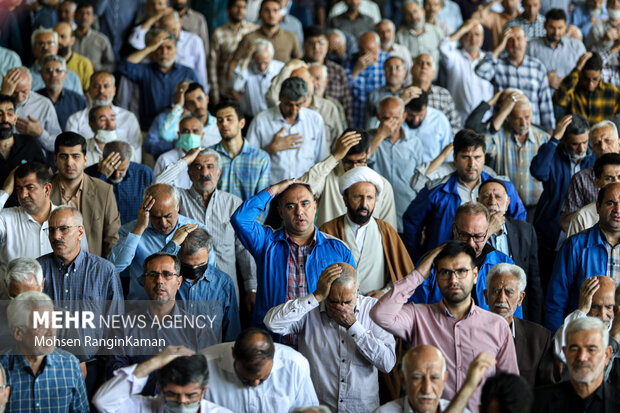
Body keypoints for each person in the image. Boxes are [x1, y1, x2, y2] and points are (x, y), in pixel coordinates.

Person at [370, 241, 519, 413]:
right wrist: (419, 274)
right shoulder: (418, 317)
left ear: (476, 275)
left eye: (462, 271)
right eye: (445, 272)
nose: (453, 279)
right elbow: (380, 314)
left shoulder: (497, 326)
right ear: (436, 277)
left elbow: (509, 388)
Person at [264, 262, 396, 412]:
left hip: (362, 409)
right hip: (318, 407)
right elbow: (272, 323)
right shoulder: (309, 309)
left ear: (357, 290)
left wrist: (353, 326)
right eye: (333, 301)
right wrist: (316, 297)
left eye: (347, 302)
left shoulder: (374, 309)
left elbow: (387, 363)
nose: (340, 308)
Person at [231, 178, 355, 329]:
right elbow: (240, 219)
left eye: (305, 204)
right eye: (290, 206)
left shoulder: (337, 249)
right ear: (280, 212)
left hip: (318, 339)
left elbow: (352, 297)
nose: (299, 212)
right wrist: (274, 189)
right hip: (273, 339)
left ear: (315, 206)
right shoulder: (266, 243)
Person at [154, 147, 257, 307]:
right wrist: (186, 160)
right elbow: (158, 187)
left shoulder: (233, 203)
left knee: (228, 331)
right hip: (185, 289)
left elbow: (244, 250)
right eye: (198, 167)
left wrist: (251, 288)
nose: (204, 173)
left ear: (219, 172)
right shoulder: (179, 199)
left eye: (210, 166)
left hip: (226, 287)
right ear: (189, 173)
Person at [403, 129, 526, 261]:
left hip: (492, 264)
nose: (472, 164)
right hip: (445, 263)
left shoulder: (502, 188)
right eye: (465, 157)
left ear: (484, 157)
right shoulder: (436, 190)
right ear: (455, 158)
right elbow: (412, 222)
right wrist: (415, 260)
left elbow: (520, 223)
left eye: (477, 157)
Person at [106, 252, 218, 396]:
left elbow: (209, 380)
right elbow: (115, 380)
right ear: (143, 281)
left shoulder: (198, 330)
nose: (159, 280)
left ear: (178, 282)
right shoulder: (121, 328)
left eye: (167, 274)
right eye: (153, 275)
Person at [108, 183, 212, 300]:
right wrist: (140, 228)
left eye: (168, 216)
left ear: (177, 206)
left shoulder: (197, 229)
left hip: (185, 310)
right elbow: (115, 266)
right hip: (142, 308)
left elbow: (209, 276)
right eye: (156, 217)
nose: (163, 223)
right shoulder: (131, 231)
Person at [319, 167, 413, 296]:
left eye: (370, 198)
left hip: (376, 308)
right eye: (358, 197)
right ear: (345, 199)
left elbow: (404, 277)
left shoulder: (386, 231)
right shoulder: (327, 231)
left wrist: (385, 293)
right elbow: (316, 275)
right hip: (337, 307)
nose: (364, 204)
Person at [531, 114, 596, 292]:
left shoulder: (594, 160)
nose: (582, 148)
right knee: (547, 287)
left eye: (585, 142)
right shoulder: (554, 154)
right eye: (575, 143)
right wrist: (553, 140)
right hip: (550, 234)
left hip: (582, 235)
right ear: (564, 140)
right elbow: (538, 171)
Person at [545, 182, 620, 331]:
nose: (617, 210)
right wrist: (557, 345)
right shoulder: (574, 246)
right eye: (611, 203)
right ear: (598, 207)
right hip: (583, 338)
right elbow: (555, 302)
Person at [1, 291, 88, 412]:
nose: (51, 333)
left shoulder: (71, 365)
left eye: (53, 323)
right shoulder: (2, 368)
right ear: (18, 333)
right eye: (41, 325)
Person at [200, 328, 319, 412]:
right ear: (233, 354)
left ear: (274, 355)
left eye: (263, 378)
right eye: (246, 377)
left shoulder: (295, 366)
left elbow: (309, 410)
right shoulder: (204, 365)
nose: (255, 383)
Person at [299, 129, 397, 229]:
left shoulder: (383, 185)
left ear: (368, 153)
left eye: (359, 161)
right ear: (342, 157)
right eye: (348, 162)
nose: (354, 168)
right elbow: (299, 190)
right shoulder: (325, 178)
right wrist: (334, 157)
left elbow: (389, 230)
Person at [94, 346, 232, 412]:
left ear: (204, 391)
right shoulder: (144, 408)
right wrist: (154, 362)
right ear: (160, 388)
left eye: (191, 395)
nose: (182, 402)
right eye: (173, 394)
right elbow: (103, 401)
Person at [478, 179, 542, 322]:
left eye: (498, 197)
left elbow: (534, 282)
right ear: (478, 202)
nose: (492, 201)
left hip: (515, 310)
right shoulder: (469, 231)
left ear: (507, 203)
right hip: (481, 307)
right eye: (487, 196)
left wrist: (535, 323)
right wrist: (488, 231)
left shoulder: (525, 230)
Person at [50, 131, 121, 257]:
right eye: (64, 156)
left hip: (93, 269)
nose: (69, 163)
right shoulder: (45, 191)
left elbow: (112, 240)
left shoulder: (104, 191)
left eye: (76, 156)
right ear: (55, 160)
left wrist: (105, 273)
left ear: (85, 160)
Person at [246, 76, 327, 184]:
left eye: (298, 105)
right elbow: (246, 161)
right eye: (289, 105)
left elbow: (322, 160)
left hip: (306, 190)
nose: (294, 111)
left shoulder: (315, 120)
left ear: (305, 99)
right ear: (280, 98)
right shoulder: (261, 121)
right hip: (272, 191)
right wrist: (271, 149)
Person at [484, 263, 554, 388]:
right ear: (486, 296)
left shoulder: (539, 338)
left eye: (509, 292)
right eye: (496, 291)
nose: (501, 298)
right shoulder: (471, 332)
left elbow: (546, 391)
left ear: (520, 298)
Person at [475, 26, 556, 131]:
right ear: (505, 44)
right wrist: (499, 47)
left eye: (519, 38)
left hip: (532, 129)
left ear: (525, 41)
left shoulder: (538, 67)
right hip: (503, 130)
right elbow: (480, 70)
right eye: (510, 40)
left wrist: (550, 131)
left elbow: (545, 104)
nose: (515, 44)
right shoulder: (498, 65)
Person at [481, 89, 550, 212]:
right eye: (518, 118)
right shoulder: (498, 137)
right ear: (508, 118)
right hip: (505, 209)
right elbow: (482, 146)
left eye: (527, 117)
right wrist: (503, 111)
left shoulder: (543, 138)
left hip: (537, 208)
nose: (524, 123)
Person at [532, 317, 619, 412]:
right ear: (565, 353)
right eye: (574, 349)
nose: (581, 357)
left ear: (607, 355)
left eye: (591, 350)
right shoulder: (537, 402)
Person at [118, 28, 198, 130]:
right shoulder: (145, 71)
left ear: (176, 50)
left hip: (180, 130)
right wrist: (149, 48)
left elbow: (199, 101)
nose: (164, 52)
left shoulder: (188, 73)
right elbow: (124, 66)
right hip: (149, 129)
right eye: (159, 48)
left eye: (169, 48)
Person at [367, 97, 424, 232]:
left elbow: (421, 182)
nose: (391, 124)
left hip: (406, 214)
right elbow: (362, 162)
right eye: (386, 118)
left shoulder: (414, 143)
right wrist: (380, 136)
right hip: (376, 215)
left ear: (404, 117)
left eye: (396, 118)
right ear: (378, 117)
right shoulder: (369, 139)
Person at [65, 71, 142, 161]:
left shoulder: (129, 118)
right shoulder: (75, 119)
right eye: (96, 86)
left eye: (106, 86)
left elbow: (136, 156)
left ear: (114, 91)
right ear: (89, 91)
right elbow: (70, 155)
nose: (101, 91)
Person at [551, 276, 618, 378]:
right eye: (595, 307)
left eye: (608, 307)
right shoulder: (578, 325)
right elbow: (559, 353)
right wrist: (581, 310)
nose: (602, 315)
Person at [0, 162, 60, 275]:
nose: (23, 195)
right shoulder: (6, 219)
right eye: (18, 188)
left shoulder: (68, 218)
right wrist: (6, 191)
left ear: (47, 189)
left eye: (30, 188)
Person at [560, 120, 620, 231]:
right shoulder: (581, 179)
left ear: (619, 143)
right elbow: (565, 224)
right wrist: (591, 215)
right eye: (597, 143)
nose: (603, 147)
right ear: (592, 149)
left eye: (608, 141)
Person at [211, 100, 271, 201]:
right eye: (220, 120)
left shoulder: (261, 158)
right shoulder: (209, 156)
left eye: (229, 119)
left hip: (249, 217)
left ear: (242, 123)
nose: (224, 124)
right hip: (214, 216)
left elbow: (262, 202)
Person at [84, 140, 154, 225]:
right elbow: (88, 205)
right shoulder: (88, 174)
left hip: (135, 230)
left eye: (122, 170)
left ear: (128, 161)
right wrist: (101, 175)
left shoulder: (144, 173)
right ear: (102, 160)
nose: (117, 175)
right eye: (112, 170)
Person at [146, 81, 221, 160]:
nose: (197, 105)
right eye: (191, 103)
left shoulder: (218, 124)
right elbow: (165, 134)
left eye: (199, 99)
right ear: (186, 106)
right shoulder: (182, 123)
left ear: (207, 98)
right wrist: (179, 105)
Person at [439, 19, 494, 123]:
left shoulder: (488, 59)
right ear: (461, 38)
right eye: (467, 34)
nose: (473, 39)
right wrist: (463, 28)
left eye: (477, 34)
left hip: (485, 120)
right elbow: (443, 47)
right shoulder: (455, 57)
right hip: (459, 120)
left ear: (482, 38)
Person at [0, 66, 62, 155]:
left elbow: (58, 145)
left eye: (24, 91)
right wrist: (4, 95)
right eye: (14, 92)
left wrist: (40, 133)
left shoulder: (44, 104)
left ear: (31, 84)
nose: (19, 98)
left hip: (33, 161)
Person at [208, 0, 259, 105]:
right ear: (228, 10)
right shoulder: (218, 33)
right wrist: (215, 94)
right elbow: (212, 66)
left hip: (248, 92)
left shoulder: (254, 30)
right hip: (225, 90)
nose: (240, 10)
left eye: (244, 7)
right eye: (237, 7)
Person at [0, 94, 47, 208]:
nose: (5, 119)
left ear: (15, 119)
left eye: (9, 114)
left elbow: (46, 175)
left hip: (27, 211)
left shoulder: (29, 143)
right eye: (0, 114)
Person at [302, 25, 354, 125]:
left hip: (332, 126)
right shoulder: (296, 69)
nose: (316, 47)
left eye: (321, 42)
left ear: (327, 44)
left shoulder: (337, 71)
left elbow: (347, 105)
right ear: (304, 45)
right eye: (312, 43)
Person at [526, 8, 587, 90]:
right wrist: (544, 80)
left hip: (570, 99)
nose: (556, 32)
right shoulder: (531, 47)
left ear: (566, 25)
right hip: (540, 97)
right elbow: (524, 75)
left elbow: (586, 76)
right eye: (552, 27)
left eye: (560, 28)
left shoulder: (577, 47)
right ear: (544, 25)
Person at [230, 0, 301, 67]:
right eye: (267, 10)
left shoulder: (291, 37)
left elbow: (299, 62)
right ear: (260, 14)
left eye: (275, 10)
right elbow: (234, 62)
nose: (271, 14)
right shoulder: (249, 38)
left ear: (280, 15)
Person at [555, 52, 620, 125]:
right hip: (577, 135)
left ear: (601, 71)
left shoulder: (612, 92)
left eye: (595, 79)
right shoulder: (573, 90)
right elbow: (560, 100)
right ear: (581, 74)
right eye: (586, 79)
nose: (590, 84)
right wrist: (577, 69)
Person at [406, 53, 462, 134]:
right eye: (420, 63)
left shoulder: (444, 95)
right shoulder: (403, 94)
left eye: (428, 64)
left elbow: (455, 125)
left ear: (433, 72)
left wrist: (446, 145)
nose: (424, 67)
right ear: (411, 69)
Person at [567, 153, 620, 236]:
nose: (616, 182)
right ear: (597, 182)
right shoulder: (583, 217)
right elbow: (574, 247)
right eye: (609, 178)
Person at [345, 32, 390, 128]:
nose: (367, 56)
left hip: (379, 118)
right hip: (356, 117)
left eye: (371, 51)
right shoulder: (350, 60)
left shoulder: (388, 60)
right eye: (363, 52)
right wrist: (356, 70)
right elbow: (342, 89)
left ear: (379, 47)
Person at [153, 115, 211, 189]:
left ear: (202, 135)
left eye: (195, 131)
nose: (190, 135)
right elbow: (156, 187)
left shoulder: (211, 158)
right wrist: (185, 160)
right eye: (186, 131)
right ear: (179, 135)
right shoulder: (165, 159)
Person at [231, 38, 284, 118]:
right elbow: (236, 87)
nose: (262, 67)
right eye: (258, 63)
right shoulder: (246, 67)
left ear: (271, 57)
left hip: (274, 117)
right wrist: (246, 58)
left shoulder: (280, 68)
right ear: (253, 58)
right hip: (250, 116)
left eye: (266, 63)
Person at [395, 0, 445, 79]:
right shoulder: (400, 36)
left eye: (415, 11)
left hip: (434, 82)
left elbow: (444, 58)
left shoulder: (436, 32)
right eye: (408, 14)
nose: (414, 17)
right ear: (405, 17)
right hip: (410, 83)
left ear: (423, 11)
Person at [36, 55, 87, 131]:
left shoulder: (79, 101)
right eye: (48, 71)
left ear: (65, 75)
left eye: (58, 70)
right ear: (41, 75)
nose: (53, 75)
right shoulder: (33, 100)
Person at [29, 27, 82, 94]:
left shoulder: (72, 77)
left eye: (50, 43)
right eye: (41, 43)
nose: (45, 47)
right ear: (33, 49)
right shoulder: (26, 78)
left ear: (57, 47)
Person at [73, 2, 116, 72]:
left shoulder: (102, 40)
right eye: (81, 13)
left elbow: (112, 65)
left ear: (93, 19)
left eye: (88, 13)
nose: (84, 16)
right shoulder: (68, 38)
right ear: (75, 16)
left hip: (94, 80)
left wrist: (97, 68)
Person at [53, 21, 94, 92]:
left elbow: (88, 93)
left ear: (72, 40)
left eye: (63, 37)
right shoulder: (45, 63)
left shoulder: (84, 64)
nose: (58, 41)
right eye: (55, 37)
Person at [375, 19, 414, 85]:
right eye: (381, 32)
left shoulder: (402, 51)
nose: (385, 35)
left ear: (394, 33)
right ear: (377, 34)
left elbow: (409, 75)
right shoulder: (373, 52)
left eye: (388, 31)